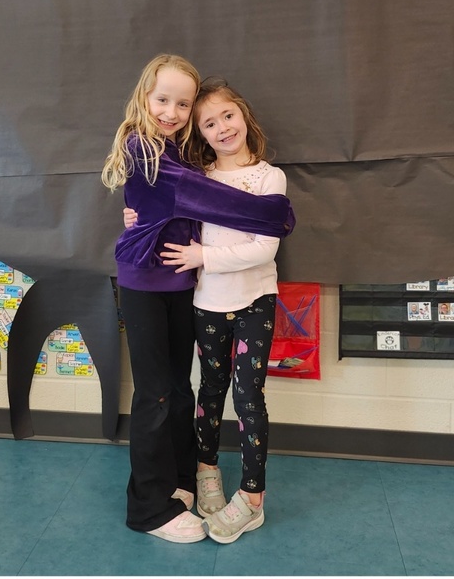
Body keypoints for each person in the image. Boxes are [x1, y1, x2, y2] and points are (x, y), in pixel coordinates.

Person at [102, 55, 294, 544]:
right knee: (157, 395)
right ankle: (148, 508)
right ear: (145, 97)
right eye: (162, 100)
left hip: (181, 287)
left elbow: (184, 212)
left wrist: (144, 215)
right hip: (146, 283)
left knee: (181, 391)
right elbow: (203, 201)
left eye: (182, 104)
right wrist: (272, 214)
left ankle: (182, 483)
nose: (170, 111)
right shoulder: (143, 146)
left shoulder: (185, 153)